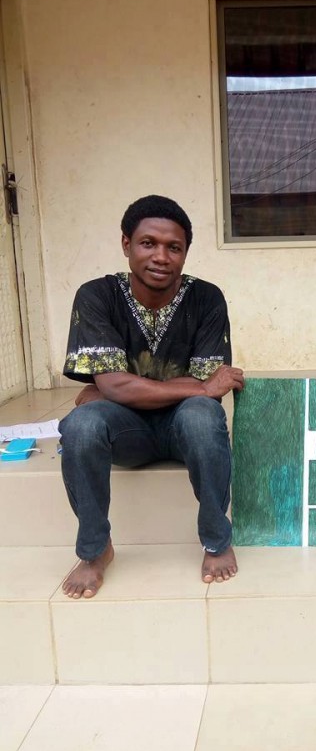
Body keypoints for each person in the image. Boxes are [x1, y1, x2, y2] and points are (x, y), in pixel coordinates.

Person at [59, 194, 244, 598]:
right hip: (127, 433)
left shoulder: (206, 298)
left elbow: (205, 392)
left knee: (201, 415)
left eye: (174, 247)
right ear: (127, 244)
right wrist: (196, 387)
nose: (161, 256)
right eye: (148, 243)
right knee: (81, 425)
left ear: (185, 252)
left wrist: (114, 386)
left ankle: (216, 540)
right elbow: (200, 385)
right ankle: (95, 550)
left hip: (185, 429)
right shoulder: (97, 296)